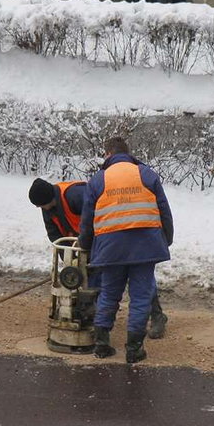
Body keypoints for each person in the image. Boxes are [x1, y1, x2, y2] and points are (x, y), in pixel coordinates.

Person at [28, 177, 168, 339]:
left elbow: (99, 213)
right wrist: (70, 263)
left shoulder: (75, 195)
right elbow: (55, 235)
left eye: (40, 205)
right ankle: (95, 318)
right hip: (86, 240)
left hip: (111, 232)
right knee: (91, 276)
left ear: (47, 199)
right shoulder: (47, 209)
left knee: (138, 276)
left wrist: (91, 243)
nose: (40, 208)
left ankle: (157, 315)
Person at [78, 137, 174, 363]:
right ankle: (134, 349)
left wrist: (86, 246)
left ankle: (102, 344)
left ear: (108, 154)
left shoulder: (98, 179)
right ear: (128, 153)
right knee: (141, 296)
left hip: (111, 248)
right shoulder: (146, 174)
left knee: (110, 292)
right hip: (145, 246)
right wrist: (165, 239)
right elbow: (164, 210)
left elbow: (87, 219)